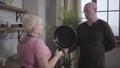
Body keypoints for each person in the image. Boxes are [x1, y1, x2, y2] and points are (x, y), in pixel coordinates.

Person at [76, 2, 116, 68]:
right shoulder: (81, 27)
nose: (85, 13)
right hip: (83, 62)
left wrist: (101, 50)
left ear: (95, 10)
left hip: (98, 63)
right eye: (84, 11)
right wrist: (67, 49)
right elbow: (76, 43)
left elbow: (112, 43)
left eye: (87, 11)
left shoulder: (104, 25)